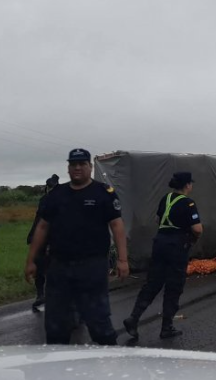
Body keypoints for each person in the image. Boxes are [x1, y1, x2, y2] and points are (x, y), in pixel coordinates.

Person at [25, 148, 129, 345]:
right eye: (73, 164)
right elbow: (42, 227)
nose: (78, 168)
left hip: (92, 266)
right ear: (68, 168)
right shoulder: (56, 195)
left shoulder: (104, 193)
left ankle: (112, 363)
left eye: (82, 164)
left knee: (98, 321)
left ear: (90, 167)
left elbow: (117, 225)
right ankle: (57, 368)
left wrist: (123, 260)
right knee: (55, 323)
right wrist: (31, 260)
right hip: (59, 267)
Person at [124, 172, 203, 340]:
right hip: (177, 246)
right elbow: (197, 229)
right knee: (174, 287)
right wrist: (193, 239)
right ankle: (167, 327)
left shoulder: (165, 199)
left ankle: (134, 318)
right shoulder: (188, 203)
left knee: (153, 283)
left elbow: (157, 220)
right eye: (191, 183)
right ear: (187, 185)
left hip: (160, 243)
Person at [27, 174, 60, 311]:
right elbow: (38, 220)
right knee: (40, 269)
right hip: (43, 240)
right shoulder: (44, 199)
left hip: (57, 240)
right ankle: (41, 294)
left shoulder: (63, 199)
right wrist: (32, 235)